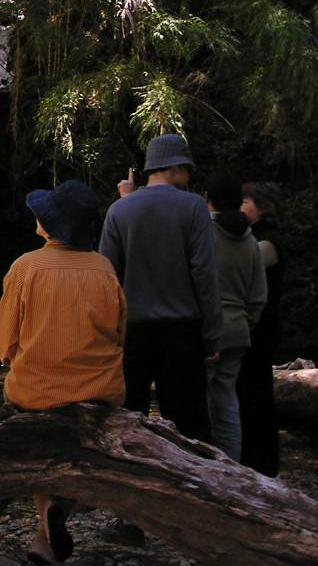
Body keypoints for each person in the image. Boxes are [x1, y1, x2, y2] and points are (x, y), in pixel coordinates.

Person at [0, 180, 126, 565]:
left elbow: (5, 342)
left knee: (39, 442)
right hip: (99, 393)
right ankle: (46, 535)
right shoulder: (104, 268)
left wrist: (23, 359)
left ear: (51, 225)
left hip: (37, 392)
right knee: (74, 448)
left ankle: (48, 515)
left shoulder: (26, 267)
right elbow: (120, 333)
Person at [99, 134, 221, 444]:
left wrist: (108, 334)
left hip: (132, 331)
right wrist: (211, 334)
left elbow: (107, 277)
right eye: (187, 169)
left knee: (128, 420)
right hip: (182, 329)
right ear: (175, 167)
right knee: (190, 424)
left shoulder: (119, 210)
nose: (189, 176)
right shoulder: (193, 207)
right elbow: (204, 274)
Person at [203, 174, 267, 461]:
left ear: (207, 198)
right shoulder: (250, 239)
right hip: (239, 329)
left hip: (208, 330)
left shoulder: (204, 234)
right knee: (228, 402)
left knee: (203, 403)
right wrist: (245, 322)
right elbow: (258, 295)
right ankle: (231, 465)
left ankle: (202, 465)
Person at [237, 182, 285, 476]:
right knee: (247, 393)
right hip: (254, 325)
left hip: (261, 326)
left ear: (263, 207)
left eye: (246, 202)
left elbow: (244, 265)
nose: (240, 206)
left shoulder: (269, 242)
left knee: (257, 394)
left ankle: (262, 464)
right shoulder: (254, 237)